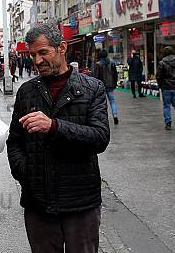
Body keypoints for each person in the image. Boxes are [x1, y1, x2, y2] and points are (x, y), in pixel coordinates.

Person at [7, 24, 110, 253]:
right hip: (38, 203)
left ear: (61, 48)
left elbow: (100, 137)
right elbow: (15, 140)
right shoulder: (27, 92)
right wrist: (25, 172)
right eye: (33, 55)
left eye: (43, 53)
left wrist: (54, 126)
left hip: (80, 201)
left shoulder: (92, 88)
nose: (37, 60)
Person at [93, 50, 119, 125]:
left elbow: (96, 76)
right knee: (112, 101)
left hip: (101, 86)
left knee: (101, 103)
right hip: (110, 85)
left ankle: (103, 118)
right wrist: (114, 84)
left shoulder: (98, 64)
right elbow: (115, 75)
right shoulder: (112, 63)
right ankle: (115, 115)